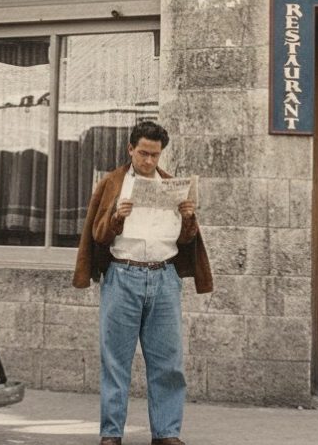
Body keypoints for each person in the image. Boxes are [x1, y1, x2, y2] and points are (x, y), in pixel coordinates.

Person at [72, 121, 213, 445]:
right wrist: (117, 217)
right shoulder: (112, 183)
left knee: (168, 362)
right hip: (123, 275)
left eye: (155, 155)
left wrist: (188, 217)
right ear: (130, 149)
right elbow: (98, 235)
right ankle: (111, 434)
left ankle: (166, 433)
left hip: (164, 276)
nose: (149, 161)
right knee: (115, 361)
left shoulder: (171, 185)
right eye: (143, 153)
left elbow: (184, 240)